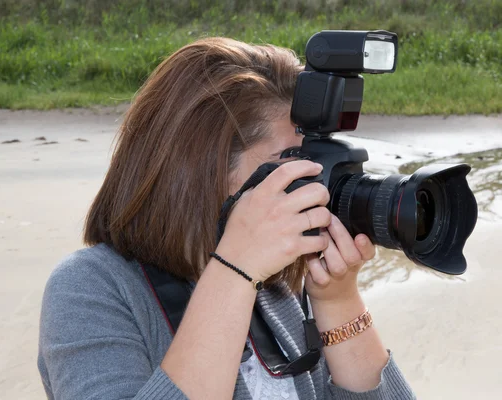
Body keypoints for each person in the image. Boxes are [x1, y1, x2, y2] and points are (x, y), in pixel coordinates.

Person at [37, 37, 415, 399]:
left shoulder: (278, 287)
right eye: (292, 163)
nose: (316, 183)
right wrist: (234, 271)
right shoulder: (89, 288)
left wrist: (337, 300)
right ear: (200, 171)